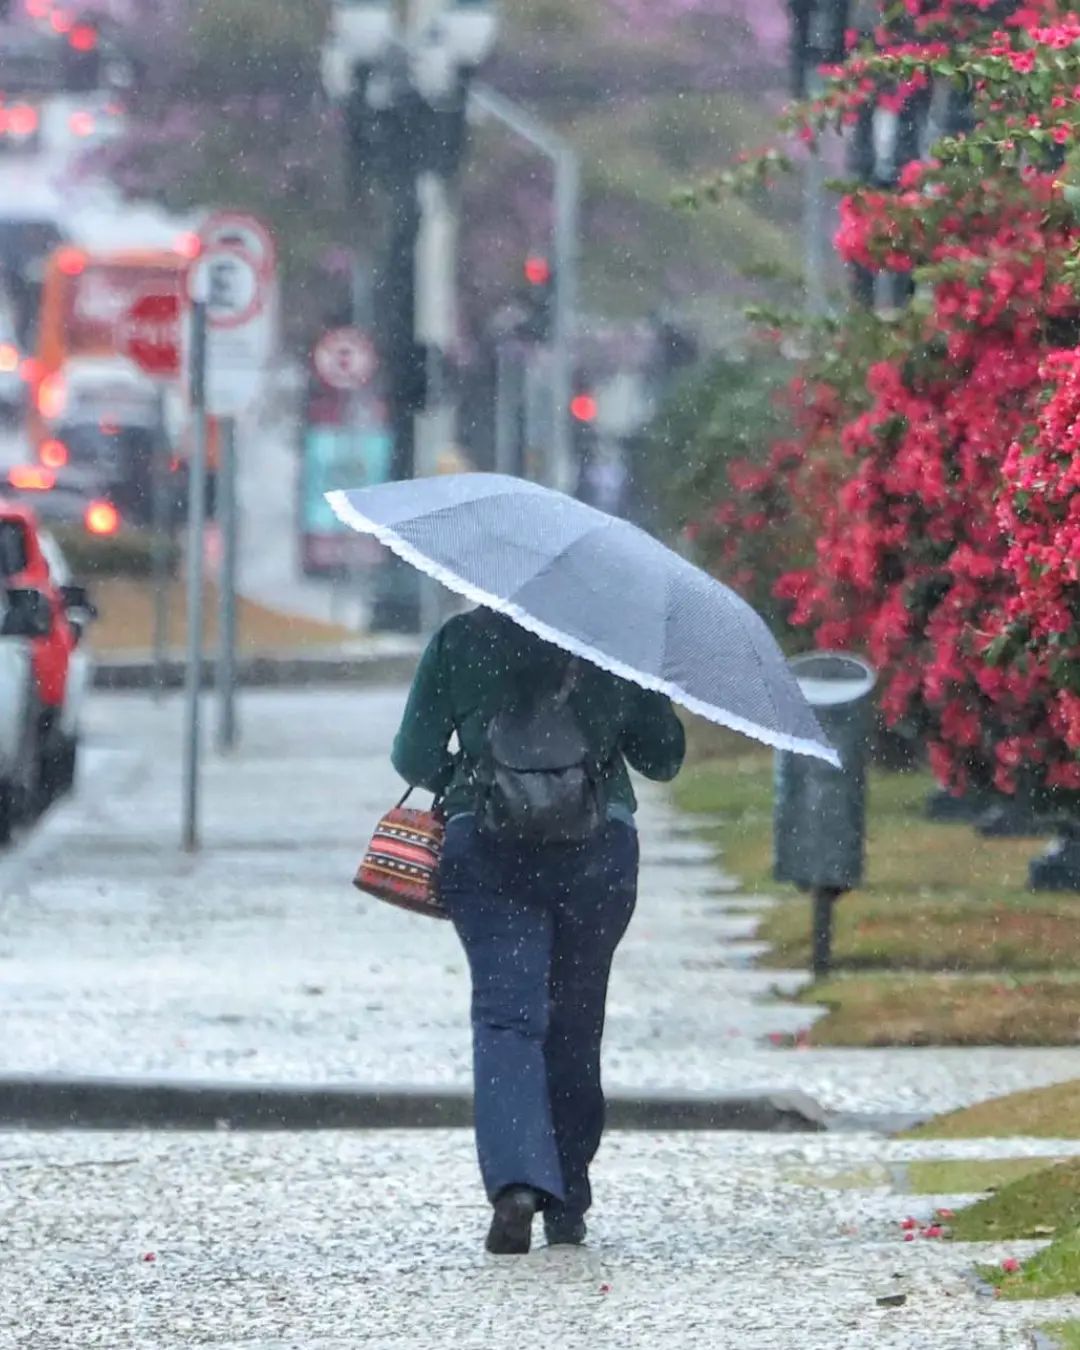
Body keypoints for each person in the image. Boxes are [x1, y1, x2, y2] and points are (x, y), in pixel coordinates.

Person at [391, 606, 686, 1255]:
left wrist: (474, 780)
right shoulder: (613, 638)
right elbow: (663, 758)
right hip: (597, 849)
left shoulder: (460, 641)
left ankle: (518, 1182)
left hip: (486, 847)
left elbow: (411, 755)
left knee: (506, 1018)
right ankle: (568, 1196)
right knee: (576, 1020)